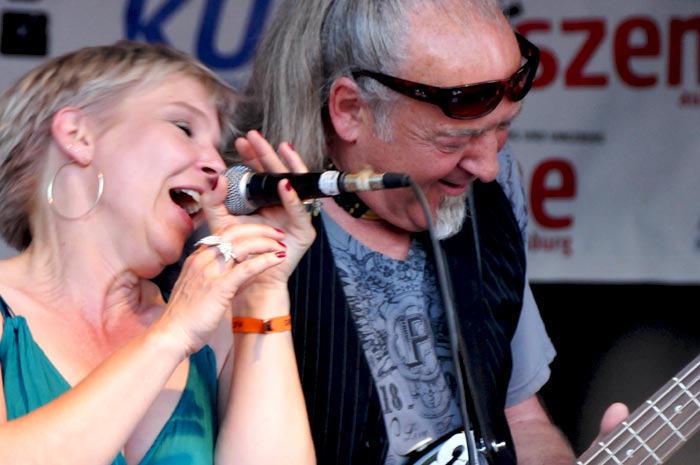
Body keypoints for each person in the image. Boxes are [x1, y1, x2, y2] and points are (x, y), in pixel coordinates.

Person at [228, 0, 630, 464]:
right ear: (350, 110)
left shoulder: (492, 193)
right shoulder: (243, 230)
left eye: (502, 129)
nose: (487, 167)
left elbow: (519, 419)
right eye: (454, 140)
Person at [0, 40, 316, 465]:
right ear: (77, 135)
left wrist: (263, 289)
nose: (217, 168)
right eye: (183, 128)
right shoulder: (185, 325)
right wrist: (169, 337)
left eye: (216, 146)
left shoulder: (214, 331)